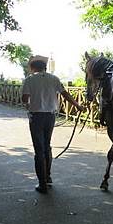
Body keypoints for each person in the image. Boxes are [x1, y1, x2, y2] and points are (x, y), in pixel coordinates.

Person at [21, 55, 84, 193]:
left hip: (36, 116)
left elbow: (24, 98)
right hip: (50, 116)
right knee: (47, 145)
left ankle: (42, 184)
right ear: (44, 67)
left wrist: (28, 104)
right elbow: (65, 94)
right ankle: (48, 177)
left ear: (33, 68)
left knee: (39, 149)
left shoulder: (29, 79)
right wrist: (77, 106)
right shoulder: (54, 79)